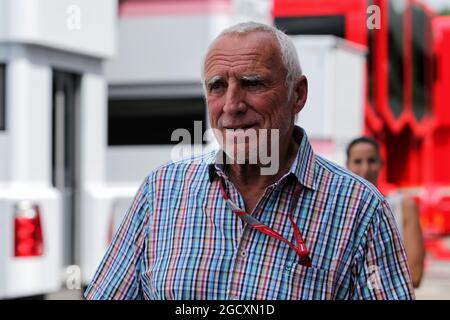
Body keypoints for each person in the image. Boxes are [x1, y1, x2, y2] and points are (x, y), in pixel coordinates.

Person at [85, 22, 414, 300]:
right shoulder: (162, 192)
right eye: (217, 87)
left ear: (297, 94)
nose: (231, 105)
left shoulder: (359, 208)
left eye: (252, 83)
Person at [346, 136, 425, 288]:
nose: (365, 168)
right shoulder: (340, 208)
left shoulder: (403, 206)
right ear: (347, 165)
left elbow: (415, 275)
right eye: (357, 161)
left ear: (381, 164)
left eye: (371, 160)